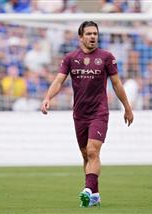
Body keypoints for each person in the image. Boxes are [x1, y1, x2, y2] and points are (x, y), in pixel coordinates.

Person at [41, 21, 134, 208]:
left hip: (99, 112)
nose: (93, 36)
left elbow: (116, 84)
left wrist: (127, 107)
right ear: (81, 37)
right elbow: (59, 81)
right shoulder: (70, 58)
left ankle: (87, 190)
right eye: (89, 33)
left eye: (95, 33)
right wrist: (47, 97)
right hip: (79, 114)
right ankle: (95, 196)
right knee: (86, 155)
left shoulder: (107, 57)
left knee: (93, 151)